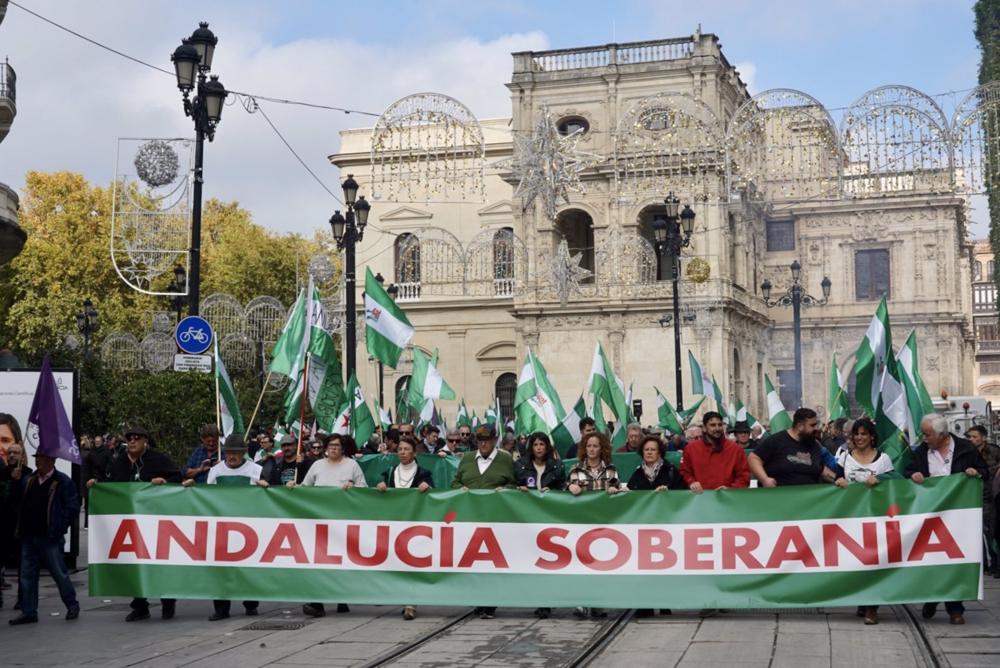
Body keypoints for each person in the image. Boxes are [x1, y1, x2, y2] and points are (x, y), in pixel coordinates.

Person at [89, 425, 182, 622]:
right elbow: (111, 484)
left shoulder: (158, 459)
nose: (132, 441)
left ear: (145, 441)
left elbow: (177, 476)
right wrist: (97, 486)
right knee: (134, 563)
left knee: (159, 562)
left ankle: (167, 601)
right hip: (130, 523)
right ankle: (140, 605)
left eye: (136, 438)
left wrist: (164, 481)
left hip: (156, 520)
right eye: (129, 438)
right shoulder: (119, 461)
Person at [906, 414, 988, 625]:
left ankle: (955, 608)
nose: (924, 438)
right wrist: (914, 474)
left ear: (941, 434)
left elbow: (984, 472)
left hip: (958, 515)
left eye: (927, 434)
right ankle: (932, 598)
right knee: (932, 559)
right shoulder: (921, 451)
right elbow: (907, 471)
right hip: (930, 515)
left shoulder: (965, 449)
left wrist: (975, 472)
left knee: (954, 560)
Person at [182, 434, 266, 620]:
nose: (232, 456)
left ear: (243, 453)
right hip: (221, 527)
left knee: (248, 567)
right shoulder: (216, 471)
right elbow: (208, 494)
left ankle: (250, 603)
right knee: (219, 569)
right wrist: (193, 487)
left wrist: (266, 487)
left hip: (248, 526)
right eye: (229, 452)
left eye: (236, 453)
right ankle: (221, 608)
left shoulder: (256, 470)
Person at [288, 434, 367, 618]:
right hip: (319, 522)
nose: (333, 448)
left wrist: (352, 486)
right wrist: (294, 486)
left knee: (340, 561)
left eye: (337, 446)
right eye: (330, 445)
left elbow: (364, 489)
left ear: (343, 448)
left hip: (342, 521)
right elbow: (305, 487)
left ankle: (342, 597)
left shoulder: (352, 465)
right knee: (319, 561)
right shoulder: (317, 465)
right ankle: (317, 602)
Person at [832, 417, 896, 625]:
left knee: (873, 561)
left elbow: (896, 483)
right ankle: (863, 601)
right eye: (856, 434)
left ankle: (872, 608)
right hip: (851, 518)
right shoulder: (844, 458)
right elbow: (834, 479)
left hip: (876, 517)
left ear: (871, 437)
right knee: (857, 562)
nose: (859, 438)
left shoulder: (883, 459)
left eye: (863, 434)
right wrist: (838, 481)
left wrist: (881, 480)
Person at [8, 449, 80, 626]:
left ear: (51, 460)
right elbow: (15, 502)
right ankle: (29, 611)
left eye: (41, 458)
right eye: (37, 458)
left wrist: (59, 528)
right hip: (28, 534)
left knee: (59, 573)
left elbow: (72, 507)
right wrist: (15, 483)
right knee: (27, 575)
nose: (38, 461)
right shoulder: (29, 480)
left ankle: (72, 604)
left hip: (49, 537)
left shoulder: (62, 481)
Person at [451, 424, 516, 619]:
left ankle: (490, 602)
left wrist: (505, 490)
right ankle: (479, 599)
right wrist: (460, 488)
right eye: (480, 440)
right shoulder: (468, 459)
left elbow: (514, 482)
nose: (484, 443)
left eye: (487, 439)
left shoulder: (505, 459)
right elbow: (455, 481)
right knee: (474, 561)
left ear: (495, 440)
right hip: (470, 518)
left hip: (496, 519)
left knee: (492, 561)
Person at [376, 436, 433, 620]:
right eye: (400, 449)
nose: (402, 452)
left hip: (415, 524)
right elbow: (378, 492)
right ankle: (400, 597)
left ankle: (411, 603)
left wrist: (428, 487)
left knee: (413, 563)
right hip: (394, 523)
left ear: (414, 452)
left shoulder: (424, 473)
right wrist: (381, 486)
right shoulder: (390, 471)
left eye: (406, 449)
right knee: (396, 562)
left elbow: (435, 495)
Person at [567, 431, 619, 619]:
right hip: (581, 522)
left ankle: (598, 603)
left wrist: (614, 489)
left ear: (602, 448)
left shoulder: (611, 469)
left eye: (595, 446)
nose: (591, 449)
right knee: (581, 562)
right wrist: (571, 487)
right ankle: (581, 601)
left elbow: (616, 486)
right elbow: (569, 488)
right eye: (588, 446)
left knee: (600, 563)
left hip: (603, 523)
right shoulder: (576, 469)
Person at [748, 408, 837, 487]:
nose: (816, 429)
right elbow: (754, 458)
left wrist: (837, 480)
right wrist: (764, 479)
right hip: (779, 498)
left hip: (808, 501)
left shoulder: (814, 445)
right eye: (812, 425)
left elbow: (820, 469)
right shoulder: (776, 441)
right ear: (800, 426)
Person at [0, 413, 31, 610]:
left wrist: (19, 481)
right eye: (9, 453)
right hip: (2, 528)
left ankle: (24, 599)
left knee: (24, 568)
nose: (9, 454)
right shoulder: (1, 473)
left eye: (12, 450)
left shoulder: (28, 476)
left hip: (20, 528)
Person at [680, 412, 751, 492]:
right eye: (712, 425)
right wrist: (691, 482)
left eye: (720, 425)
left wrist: (731, 489)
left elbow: (744, 476)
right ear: (704, 428)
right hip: (700, 498)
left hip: (728, 499)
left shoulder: (736, 449)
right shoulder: (690, 449)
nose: (717, 428)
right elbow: (684, 472)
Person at [966, 425, 1000, 576]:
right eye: (970, 437)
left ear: (983, 437)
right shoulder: (968, 453)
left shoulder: (994, 450)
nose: (972, 439)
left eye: (975, 436)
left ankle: (995, 564)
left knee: (991, 531)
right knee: (977, 532)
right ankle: (984, 565)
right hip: (975, 495)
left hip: (992, 496)